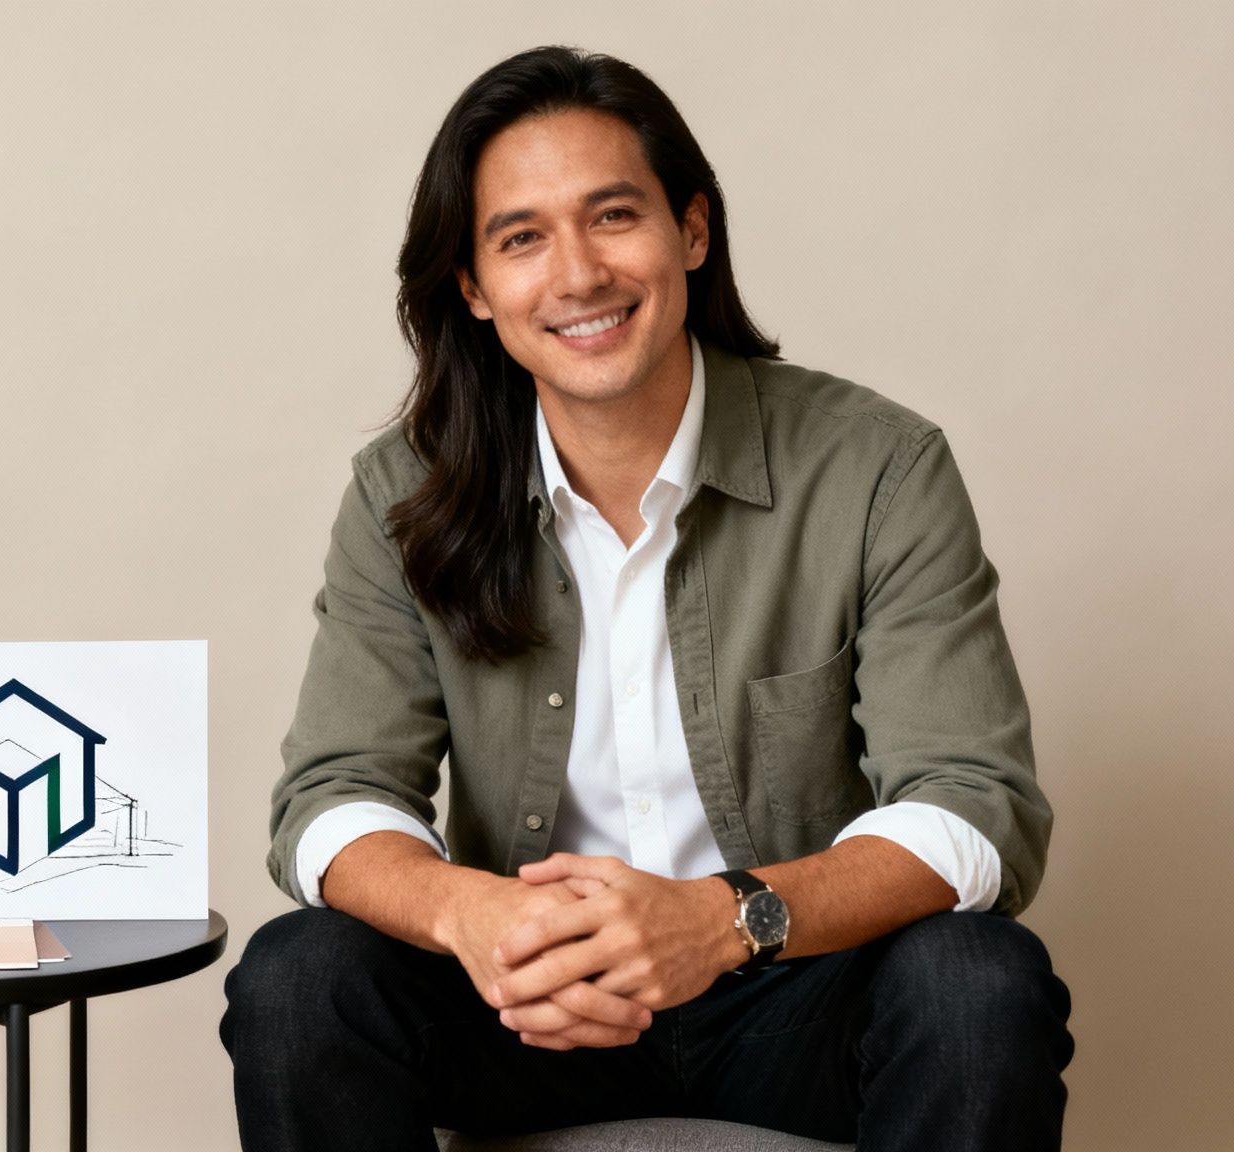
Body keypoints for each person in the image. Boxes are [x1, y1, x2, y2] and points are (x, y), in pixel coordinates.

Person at [220, 45, 1074, 1152]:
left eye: (611, 215)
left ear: (691, 232)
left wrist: (721, 923)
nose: (576, 275)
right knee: (298, 979)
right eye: (519, 238)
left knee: (979, 983)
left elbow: (973, 806)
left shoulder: (875, 469)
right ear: (474, 290)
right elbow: (329, 799)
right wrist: (470, 914)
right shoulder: (403, 493)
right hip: (520, 1008)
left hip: (788, 991)